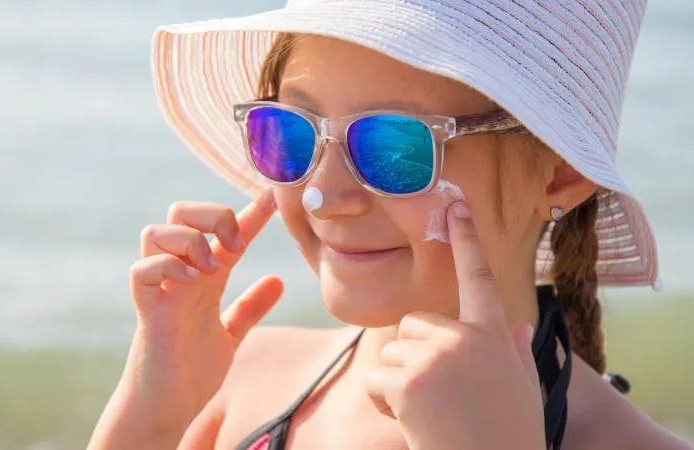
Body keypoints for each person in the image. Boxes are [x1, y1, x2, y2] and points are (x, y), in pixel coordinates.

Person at [88, 1, 691, 449]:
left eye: (395, 148)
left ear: (557, 173)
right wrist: (150, 416)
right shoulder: (241, 380)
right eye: (292, 132)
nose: (324, 193)